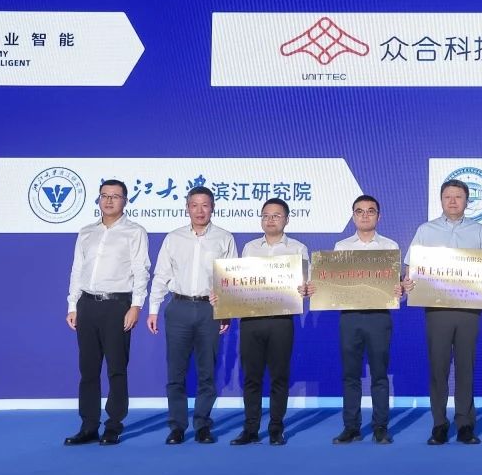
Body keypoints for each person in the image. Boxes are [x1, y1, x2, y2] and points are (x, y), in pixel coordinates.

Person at [403, 179, 482, 446]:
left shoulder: (479, 231)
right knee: (439, 368)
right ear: (441, 200)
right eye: (448, 197)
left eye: (458, 197)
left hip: (469, 309)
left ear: (467, 201)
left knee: (466, 367)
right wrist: (408, 281)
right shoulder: (426, 230)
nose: (453, 201)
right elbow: (411, 268)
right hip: (437, 310)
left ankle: (465, 424)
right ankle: (439, 424)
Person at [147, 186, 235, 445]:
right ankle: (177, 426)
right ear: (187, 208)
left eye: (205, 205)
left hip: (210, 310)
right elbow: (161, 275)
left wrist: (227, 311)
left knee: (207, 371)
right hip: (179, 307)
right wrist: (153, 310)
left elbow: (231, 278)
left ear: (213, 208)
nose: (200, 210)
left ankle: (202, 425)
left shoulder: (224, 238)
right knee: (176, 372)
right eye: (194, 205)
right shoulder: (173, 238)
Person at [64, 179, 149, 446]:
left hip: (117, 306)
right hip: (87, 304)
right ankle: (88, 425)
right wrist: (72, 305)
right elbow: (77, 269)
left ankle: (113, 425)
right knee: (88, 370)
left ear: (125, 201)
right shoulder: (86, 232)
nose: (109, 200)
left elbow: (141, 271)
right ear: (99, 199)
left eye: (115, 196)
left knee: (116, 369)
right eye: (104, 195)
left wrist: (136, 306)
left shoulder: (134, 232)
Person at [227, 198, 309, 447]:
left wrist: (305, 289)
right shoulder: (250, 248)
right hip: (251, 320)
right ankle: (250, 429)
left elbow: (306, 286)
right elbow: (239, 283)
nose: (270, 220)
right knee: (251, 377)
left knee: (279, 376)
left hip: (281, 320)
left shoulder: (298, 249)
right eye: (266, 215)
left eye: (276, 215)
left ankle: (275, 428)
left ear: (287, 219)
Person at [328, 194, 401, 445]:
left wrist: (400, 289)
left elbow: (396, 286)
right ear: (353, 216)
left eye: (371, 211)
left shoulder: (390, 246)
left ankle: (380, 427)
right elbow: (333, 284)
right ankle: (351, 427)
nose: (365, 215)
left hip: (379, 317)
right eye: (359, 211)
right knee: (350, 374)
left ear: (379, 217)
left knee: (379, 374)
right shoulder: (341, 247)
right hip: (350, 317)